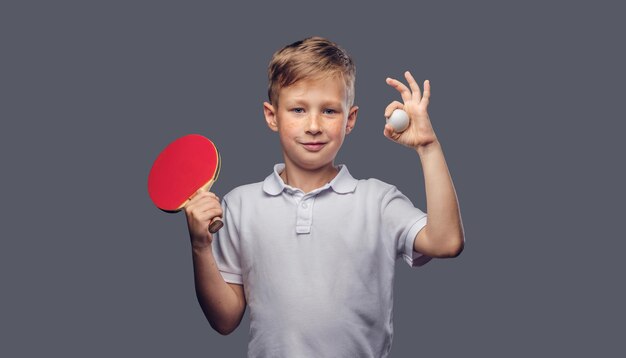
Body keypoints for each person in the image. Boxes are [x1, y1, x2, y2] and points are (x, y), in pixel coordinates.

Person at [184, 36, 465, 357]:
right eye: (298, 109)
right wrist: (200, 246)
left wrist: (427, 147)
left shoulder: (378, 201)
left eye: (329, 110)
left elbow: (446, 242)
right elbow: (224, 319)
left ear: (350, 119)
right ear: (271, 115)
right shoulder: (239, 205)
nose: (314, 125)